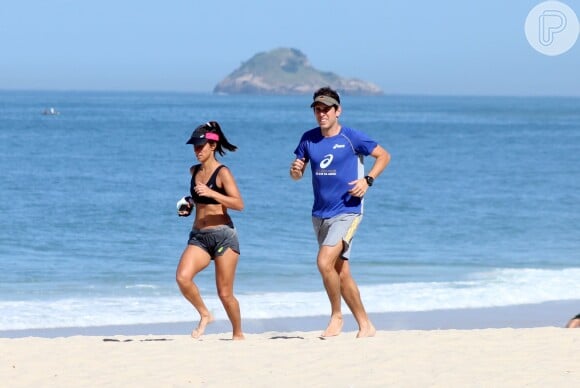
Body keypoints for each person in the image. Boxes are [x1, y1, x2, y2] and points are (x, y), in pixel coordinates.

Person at [289, 86, 391, 338]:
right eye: (317, 109)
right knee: (340, 271)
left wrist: (367, 180)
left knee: (324, 262)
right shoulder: (308, 138)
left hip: (348, 211)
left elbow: (384, 155)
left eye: (326, 109)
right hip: (319, 213)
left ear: (338, 110)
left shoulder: (351, 137)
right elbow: (297, 174)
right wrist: (295, 171)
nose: (321, 113)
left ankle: (336, 316)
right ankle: (366, 325)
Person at [175, 121, 245, 340]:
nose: (197, 150)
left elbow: (238, 204)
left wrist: (212, 193)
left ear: (213, 146)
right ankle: (205, 314)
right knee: (182, 278)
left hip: (223, 235)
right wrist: (188, 204)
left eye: (201, 146)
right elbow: (198, 198)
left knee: (225, 294)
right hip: (199, 237)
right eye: (195, 147)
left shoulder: (223, 173)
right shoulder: (193, 171)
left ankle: (238, 334)